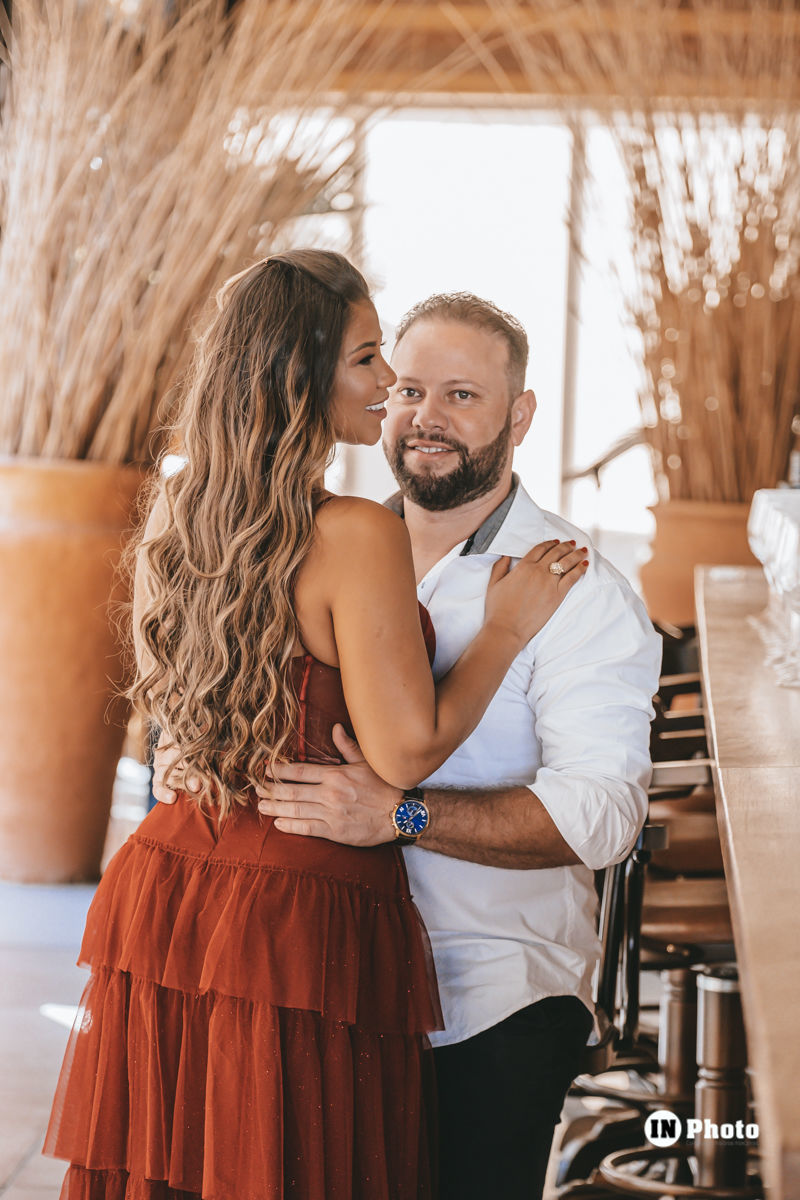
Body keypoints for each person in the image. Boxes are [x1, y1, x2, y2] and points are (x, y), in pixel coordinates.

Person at [44, 253, 586, 1200]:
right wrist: (502, 631)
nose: (392, 391)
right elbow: (406, 753)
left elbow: (176, 713)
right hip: (296, 911)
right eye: (370, 361)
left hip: (172, 885)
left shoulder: (184, 507)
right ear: (301, 374)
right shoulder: (354, 533)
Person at [244, 292, 664, 1199]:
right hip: (321, 974)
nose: (426, 418)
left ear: (520, 415)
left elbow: (602, 817)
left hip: (487, 988)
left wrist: (398, 814)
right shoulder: (328, 542)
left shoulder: (576, 587)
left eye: (463, 396)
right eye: (407, 390)